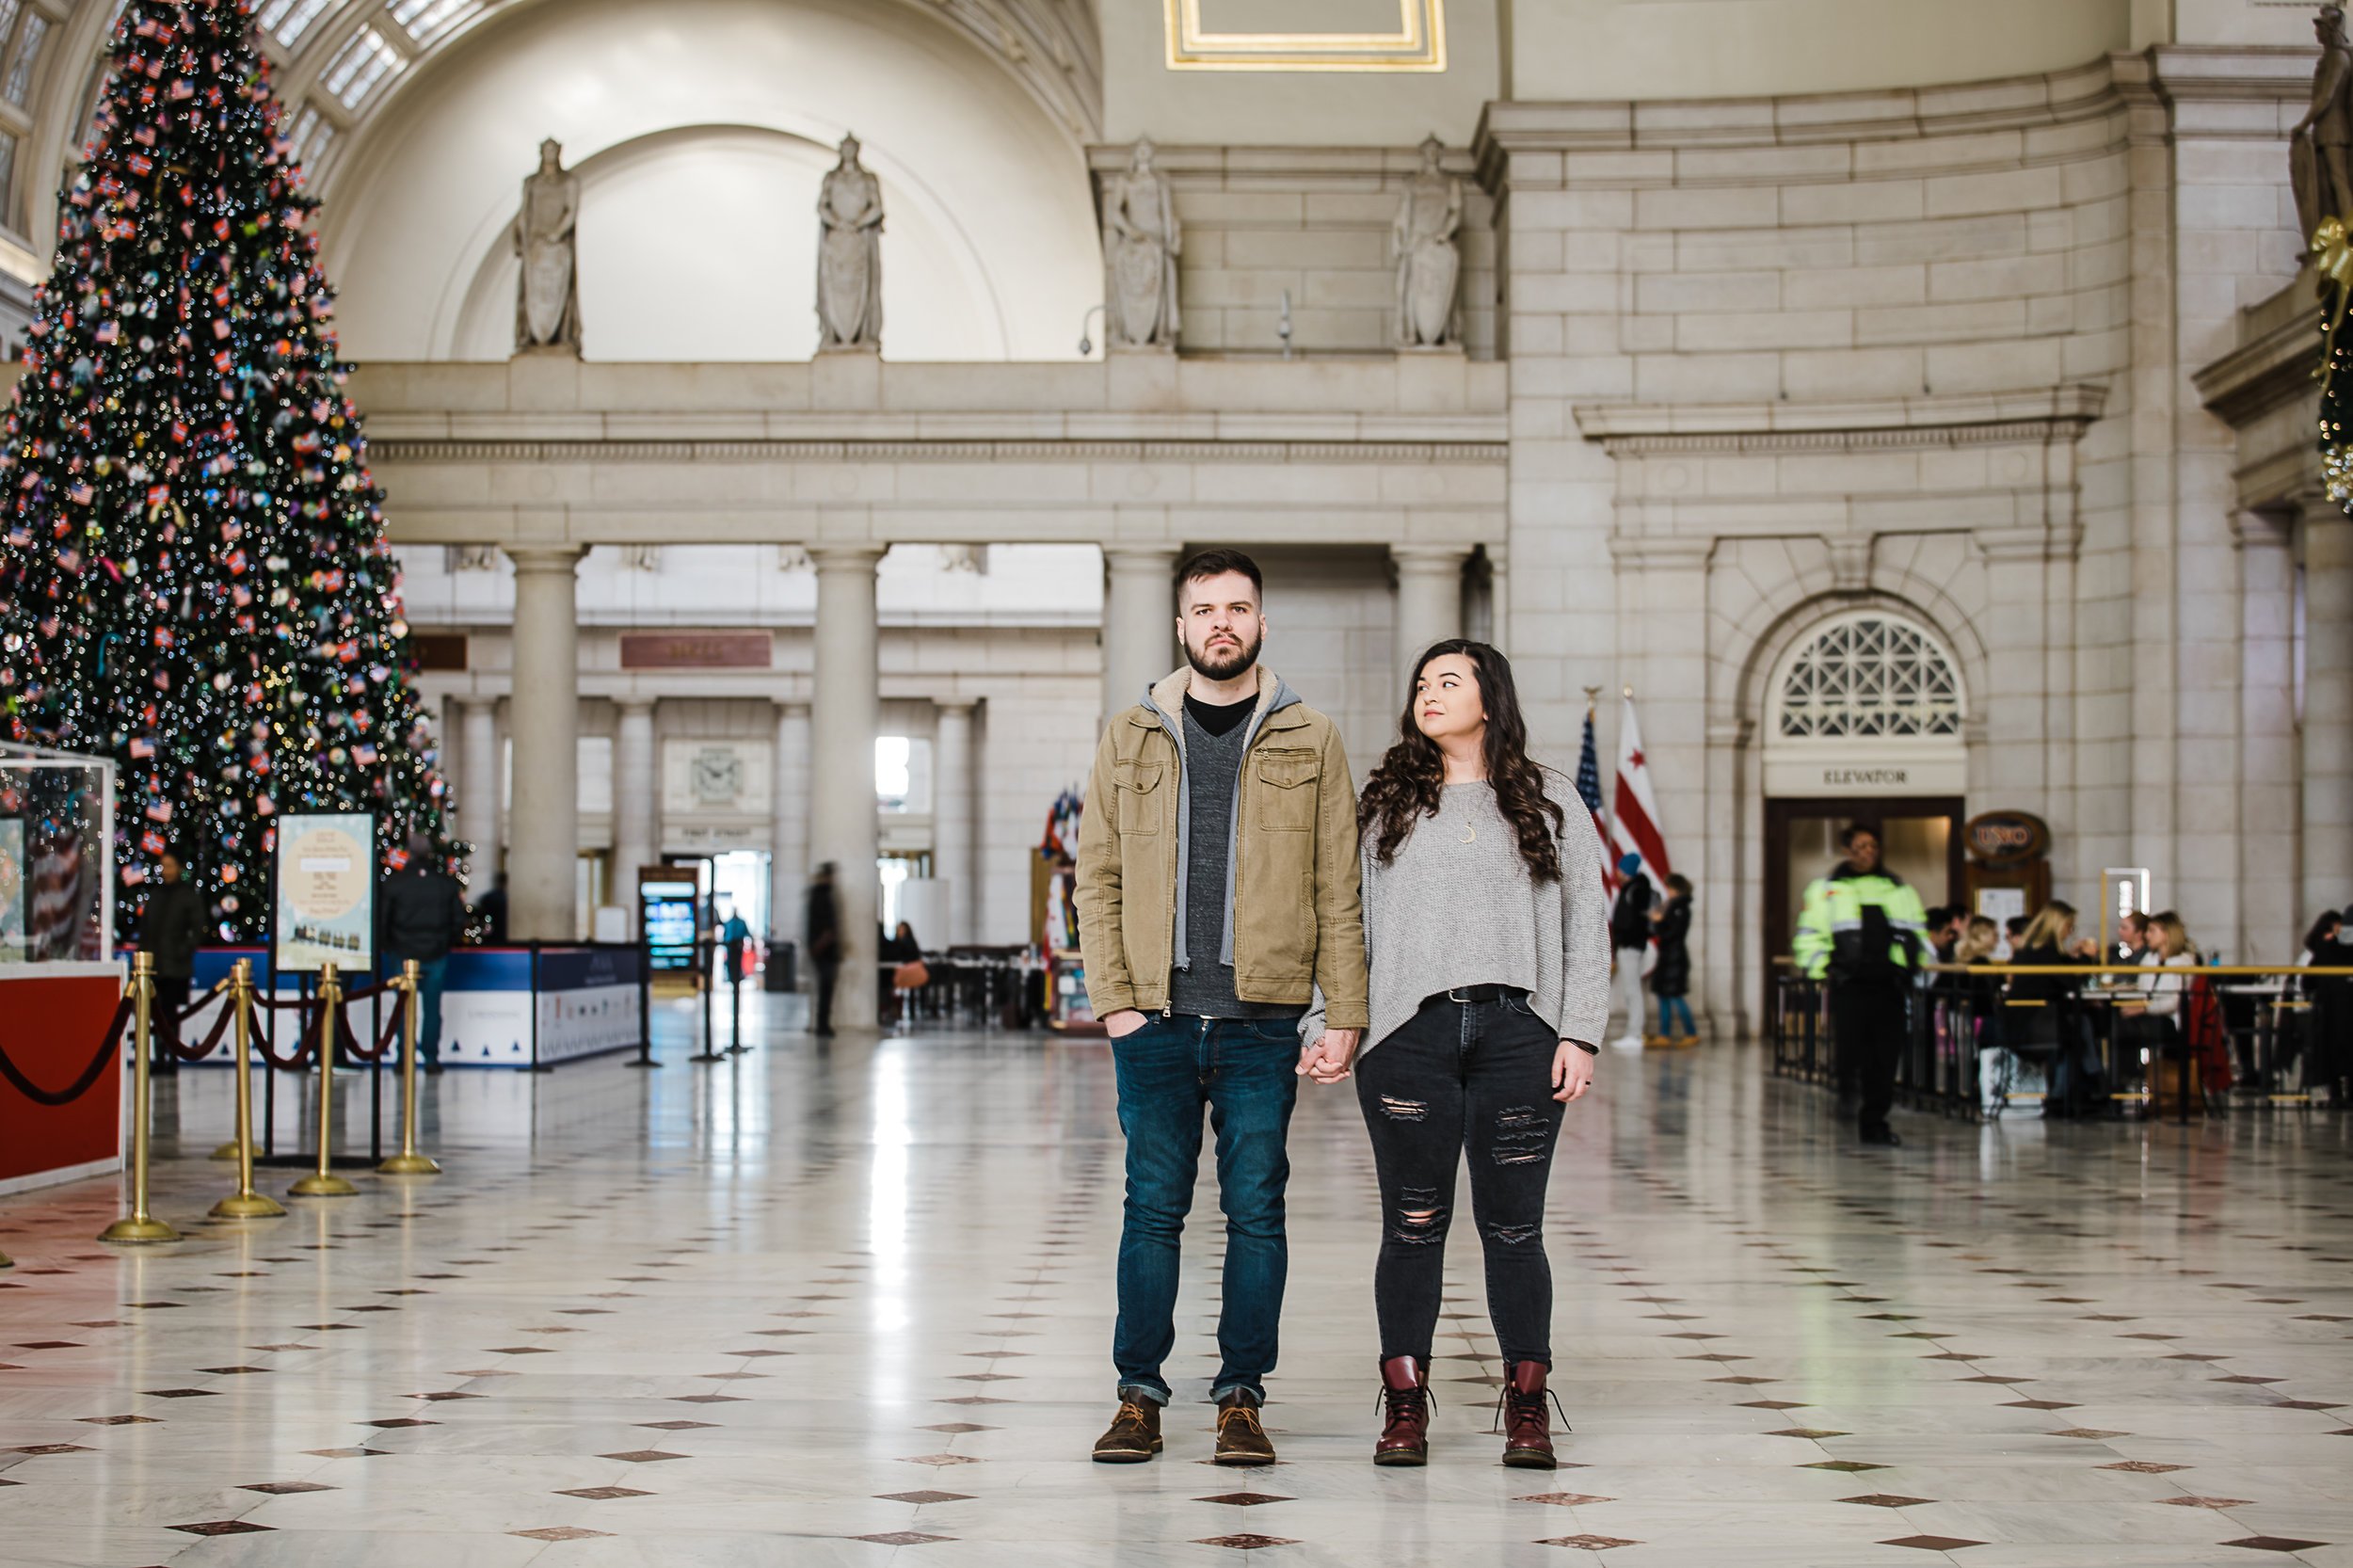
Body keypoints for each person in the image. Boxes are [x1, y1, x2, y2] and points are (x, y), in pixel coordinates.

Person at [1074, 548, 1368, 1468]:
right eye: (1204, 609)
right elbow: (1097, 878)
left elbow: (1338, 885)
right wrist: (1115, 1003)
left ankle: (1241, 1397)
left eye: (1236, 607)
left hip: (1261, 1020)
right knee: (1151, 1207)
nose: (1220, 623)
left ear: (1260, 622)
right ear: (1180, 625)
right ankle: (1138, 1397)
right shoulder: (1130, 733)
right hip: (1154, 1020)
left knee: (1256, 1210)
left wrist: (1345, 1011)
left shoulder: (1310, 735)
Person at [1303, 640, 1607, 1469]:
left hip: (1520, 1034)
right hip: (1409, 1039)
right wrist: (1328, 1021)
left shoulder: (1549, 799)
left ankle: (1528, 1409)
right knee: (1412, 1224)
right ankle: (1405, 1408)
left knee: (1514, 1228)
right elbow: (1343, 917)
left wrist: (1579, 1031)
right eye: (1422, 684)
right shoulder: (1388, 802)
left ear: (1489, 695)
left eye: (1450, 681)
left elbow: (1588, 921)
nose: (1430, 694)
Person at [1792, 824, 1928, 1146]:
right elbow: (1809, 935)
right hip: (1850, 983)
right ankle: (1847, 1095)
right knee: (1851, 1050)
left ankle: (1875, 1121)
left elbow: (1917, 934)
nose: (1868, 852)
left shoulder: (1899, 890)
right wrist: (1824, 971)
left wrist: (1912, 971)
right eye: (1861, 846)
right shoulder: (1826, 890)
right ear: (1847, 850)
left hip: (1890, 984)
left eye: (1873, 846)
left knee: (1884, 1056)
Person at [377, 834, 468, 1075]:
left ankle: (403, 1057)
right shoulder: (445, 884)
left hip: (402, 953)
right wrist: (446, 941)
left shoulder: (395, 884)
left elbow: (382, 920)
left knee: (403, 1007)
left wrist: (390, 945)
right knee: (432, 1010)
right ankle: (430, 1058)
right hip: (435, 952)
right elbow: (458, 920)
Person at [2007, 901, 2103, 1117]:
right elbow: (2071, 981)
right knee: (2076, 1030)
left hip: (2031, 1017)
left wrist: (2074, 954)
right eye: (2070, 926)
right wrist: (2087, 957)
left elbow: (2062, 970)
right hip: (2034, 1023)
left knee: (2082, 1023)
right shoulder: (2044, 952)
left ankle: (2089, 1083)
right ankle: (2075, 1091)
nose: (2070, 932)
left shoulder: (2033, 948)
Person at [137, 851, 204, 1077]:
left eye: (170, 865)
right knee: (156, 1013)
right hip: (155, 965)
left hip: (176, 966)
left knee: (172, 1014)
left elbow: (196, 929)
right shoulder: (156, 895)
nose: (166, 870)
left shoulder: (187, 896)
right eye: (163, 866)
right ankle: (158, 1057)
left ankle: (172, 1057)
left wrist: (183, 951)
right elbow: (146, 928)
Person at [1607, 854, 1652, 1049]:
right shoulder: (1631, 889)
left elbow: (1632, 921)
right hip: (1627, 946)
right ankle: (1633, 1032)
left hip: (1632, 946)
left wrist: (1624, 937)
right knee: (1630, 991)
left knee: (1633, 991)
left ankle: (1635, 1033)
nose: (1617, 872)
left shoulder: (1638, 890)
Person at [1650, 873, 1695, 1043]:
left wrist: (1659, 922)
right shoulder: (1672, 906)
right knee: (1663, 995)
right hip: (1668, 955)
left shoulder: (1680, 908)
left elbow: (1673, 932)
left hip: (1675, 957)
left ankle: (1691, 1032)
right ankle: (1664, 1033)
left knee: (1675, 996)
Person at [806, 863, 841, 1038]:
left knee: (826, 988)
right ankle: (821, 1024)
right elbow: (823, 925)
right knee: (825, 987)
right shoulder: (820, 895)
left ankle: (823, 1023)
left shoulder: (823, 894)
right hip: (823, 950)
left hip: (824, 950)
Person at [472, 871, 509, 945]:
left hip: (491, 938)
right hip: (504, 937)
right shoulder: (508, 899)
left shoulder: (488, 898)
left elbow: (480, 916)